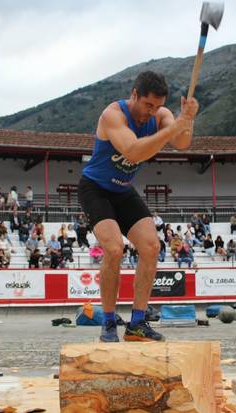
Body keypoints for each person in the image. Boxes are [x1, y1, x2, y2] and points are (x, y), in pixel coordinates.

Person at [77, 71, 198, 342]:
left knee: (152, 246)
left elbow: (182, 142)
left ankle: (138, 323)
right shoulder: (112, 115)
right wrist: (173, 127)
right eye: (147, 105)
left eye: (157, 106)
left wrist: (187, 119)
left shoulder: (161, 115)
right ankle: (108, 322)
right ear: (134, 94)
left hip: (123, 190)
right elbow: (133, 151)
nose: (151, 112)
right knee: (114, 248)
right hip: (95, 189)